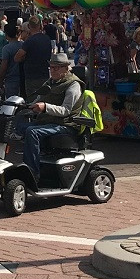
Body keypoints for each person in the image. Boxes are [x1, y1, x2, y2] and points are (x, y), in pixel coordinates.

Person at [15, 53, 83, 184]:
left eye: (56, 68)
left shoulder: (73, 85)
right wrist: (25, 107)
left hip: (66, 125)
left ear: (66, 68)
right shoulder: (50, 82)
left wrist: (45, 107)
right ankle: (35, 156)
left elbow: (66, 110)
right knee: (19, 125)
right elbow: (38, 99)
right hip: (49, 122)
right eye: (51, 67)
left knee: (32, 132)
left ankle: (32, 174)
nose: (52, 70)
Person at [15, 18, 53, 96]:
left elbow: (17, 58)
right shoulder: (47, 38)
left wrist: (24, 58)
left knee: (32, 98)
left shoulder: (29, 41)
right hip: (44, 73)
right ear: (40, 25)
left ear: (29, 26)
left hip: (31, 75)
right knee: (44, 97)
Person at [0, 23, 24, 98]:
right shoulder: (23, 45)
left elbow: (4, 67)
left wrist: (0, 81)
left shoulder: (6, 49)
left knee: (12, 101)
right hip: (23, 78)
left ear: (6, 35)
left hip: (11, 79)